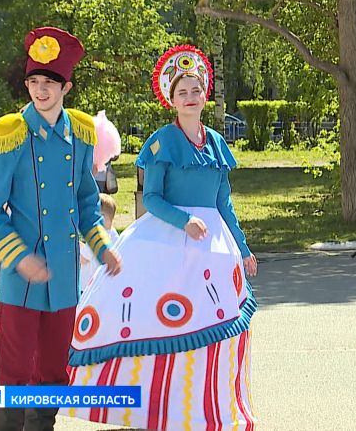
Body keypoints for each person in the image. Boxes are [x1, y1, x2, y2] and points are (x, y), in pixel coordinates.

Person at [65, 45, 258, 429]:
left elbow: (225, 203)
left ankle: (210, 410)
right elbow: (151, 198)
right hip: (168, 242)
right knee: (162, 324)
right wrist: (184, 220)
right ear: (171, 99)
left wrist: (243, 248)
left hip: (214, 250)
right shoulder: (161, 142)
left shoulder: (217, 143)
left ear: (206, 94)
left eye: (196, 90)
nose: (190, 97)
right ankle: (159, 411)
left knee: (214, 327)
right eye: (182, 92)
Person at [0, 26, 121, 431]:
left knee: (55, 371)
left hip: (63, 276)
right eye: (34, 81)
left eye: (49, 82)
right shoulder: (9, 134)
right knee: (13, 370)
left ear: (66, 86)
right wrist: (19, 259)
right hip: (22, 276)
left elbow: (86, 200)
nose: (40, 90)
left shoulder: (80, 134)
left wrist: (101, 244)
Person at [79, 193, 119, 293]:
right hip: (105, 283)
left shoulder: (99, 238)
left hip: (89, 285)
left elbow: (84, 258)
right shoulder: (113, 233)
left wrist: (76, 246)